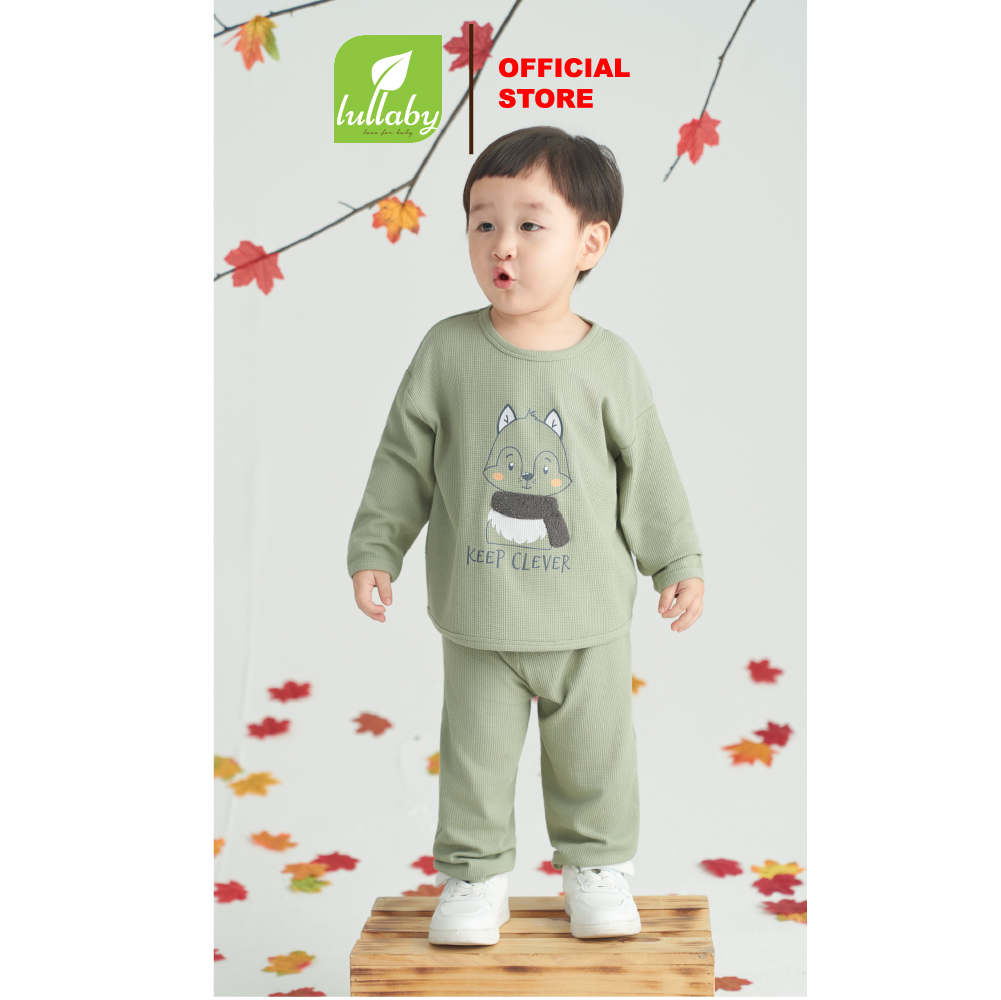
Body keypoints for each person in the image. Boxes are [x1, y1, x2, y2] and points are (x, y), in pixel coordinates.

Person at [347, 126, 704, 945]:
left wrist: (675, 561)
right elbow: (403, 459)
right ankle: (474, 878)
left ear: (590, 244)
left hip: (587, 621)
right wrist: (376, 546)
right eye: (483, 222)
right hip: (479, 616)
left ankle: (597, 869)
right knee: (474, 760)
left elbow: (647, 472)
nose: (501, 245)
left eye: (529, 224)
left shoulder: (611, 363)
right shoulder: (446, 351)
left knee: (596, 756)